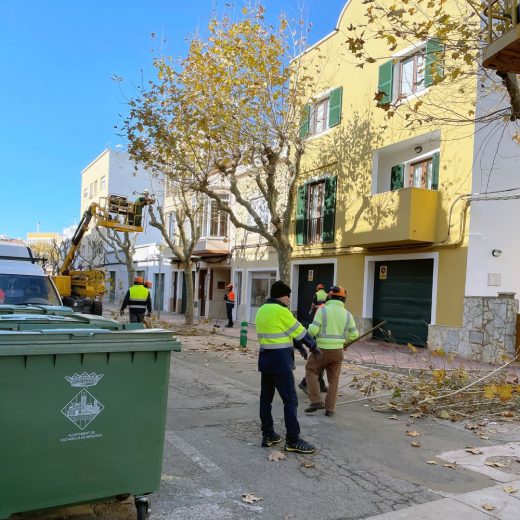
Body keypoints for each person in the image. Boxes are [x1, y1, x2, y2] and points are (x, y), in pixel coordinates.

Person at [255, 280, 318, 454]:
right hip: (281, 363)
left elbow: (284, 332)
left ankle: (268, 435)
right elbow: (300, 332)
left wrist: (300, 347)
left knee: (265, 400)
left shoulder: (262, 310)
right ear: (283, 296)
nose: (289, 300)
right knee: (290, 401)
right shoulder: (281, 311)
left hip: (265, 360)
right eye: (288, 297)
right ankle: (293, 440)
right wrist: (313, 346)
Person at [304, 285, 359, 417]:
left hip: (321, 350)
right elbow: (354, 335)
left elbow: (313, 331)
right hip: (338, 352)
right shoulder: (348, 314)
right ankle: (330, 409)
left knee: (311, 370)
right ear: (344, 300)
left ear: (329, 296)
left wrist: (307, 336)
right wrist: (344, 343)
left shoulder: (322, 311)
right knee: (333, 380)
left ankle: (316, 400)